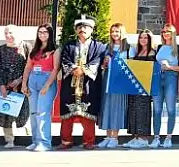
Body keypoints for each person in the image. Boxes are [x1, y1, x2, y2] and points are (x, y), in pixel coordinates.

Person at [58, 15, 107, 150]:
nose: (82, 30)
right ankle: (66, 141)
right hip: (70, 84)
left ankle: (89, 142)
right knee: (68, 116)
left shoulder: (99, 46)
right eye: (79, 27)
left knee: (88, 115)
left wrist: (83, 70)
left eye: (85, 27)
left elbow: (97, 61)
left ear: (92, 29)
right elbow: (64, 60)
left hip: (89, 85)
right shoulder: (69, 45)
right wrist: (74, 69)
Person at [21, 24, 60, 152]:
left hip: (46, 80)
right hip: (33, 80)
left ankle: (45, 142)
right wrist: (24, 83)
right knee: (33, 112)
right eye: (40, 32)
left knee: (42, 112)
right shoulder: (34, 49)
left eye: (45, 32)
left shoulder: (55, 50)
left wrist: (47, 85)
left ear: (50, 34)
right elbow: (28, 67)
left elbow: (55, 69)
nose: (42, 34)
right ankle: (35, 140)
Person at [0, 24, 31, 149]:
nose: (8, 35)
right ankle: (9, 140)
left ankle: (26, 138)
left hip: (22, 86)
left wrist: (21, 80)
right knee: (6, 113)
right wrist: (1, 85)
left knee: (24, 113)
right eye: (6, 33)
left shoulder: (26, 47)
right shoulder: (0, 49)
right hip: (5, 86)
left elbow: (29, 66)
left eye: (10, 32)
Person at [150, 23, 179, 148]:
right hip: (158, 78)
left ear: (173, 33)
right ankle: (156, 137)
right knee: (157, 110)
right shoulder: (159, 47)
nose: (165, 34)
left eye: (168, 31)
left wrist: (170, 67)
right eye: (163, 31)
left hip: (171, 78)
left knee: (171, 110)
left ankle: (168, 137)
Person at [123, 30, 157, 149]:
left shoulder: (153, 53)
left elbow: (153, 70)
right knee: (133, 110)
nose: (143, 40)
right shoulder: (137, 52)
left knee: (143, 111)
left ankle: (144, 138)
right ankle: (136, 136)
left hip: (145, 87)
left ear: (149, 39)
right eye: (141, 37)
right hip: (135, 86)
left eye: (145, 38)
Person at [97, 23, 129, 148]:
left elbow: (130, 66)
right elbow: (102, 66)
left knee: (116, 108)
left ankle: (115, 137)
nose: (115, 34)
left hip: (120, 82)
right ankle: (108, 136)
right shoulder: (107, 47)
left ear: (122, 33)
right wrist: (104, 64)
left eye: (117, 31)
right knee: (107, 106)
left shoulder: (128, 49)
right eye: (113, 31)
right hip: (107, 80)